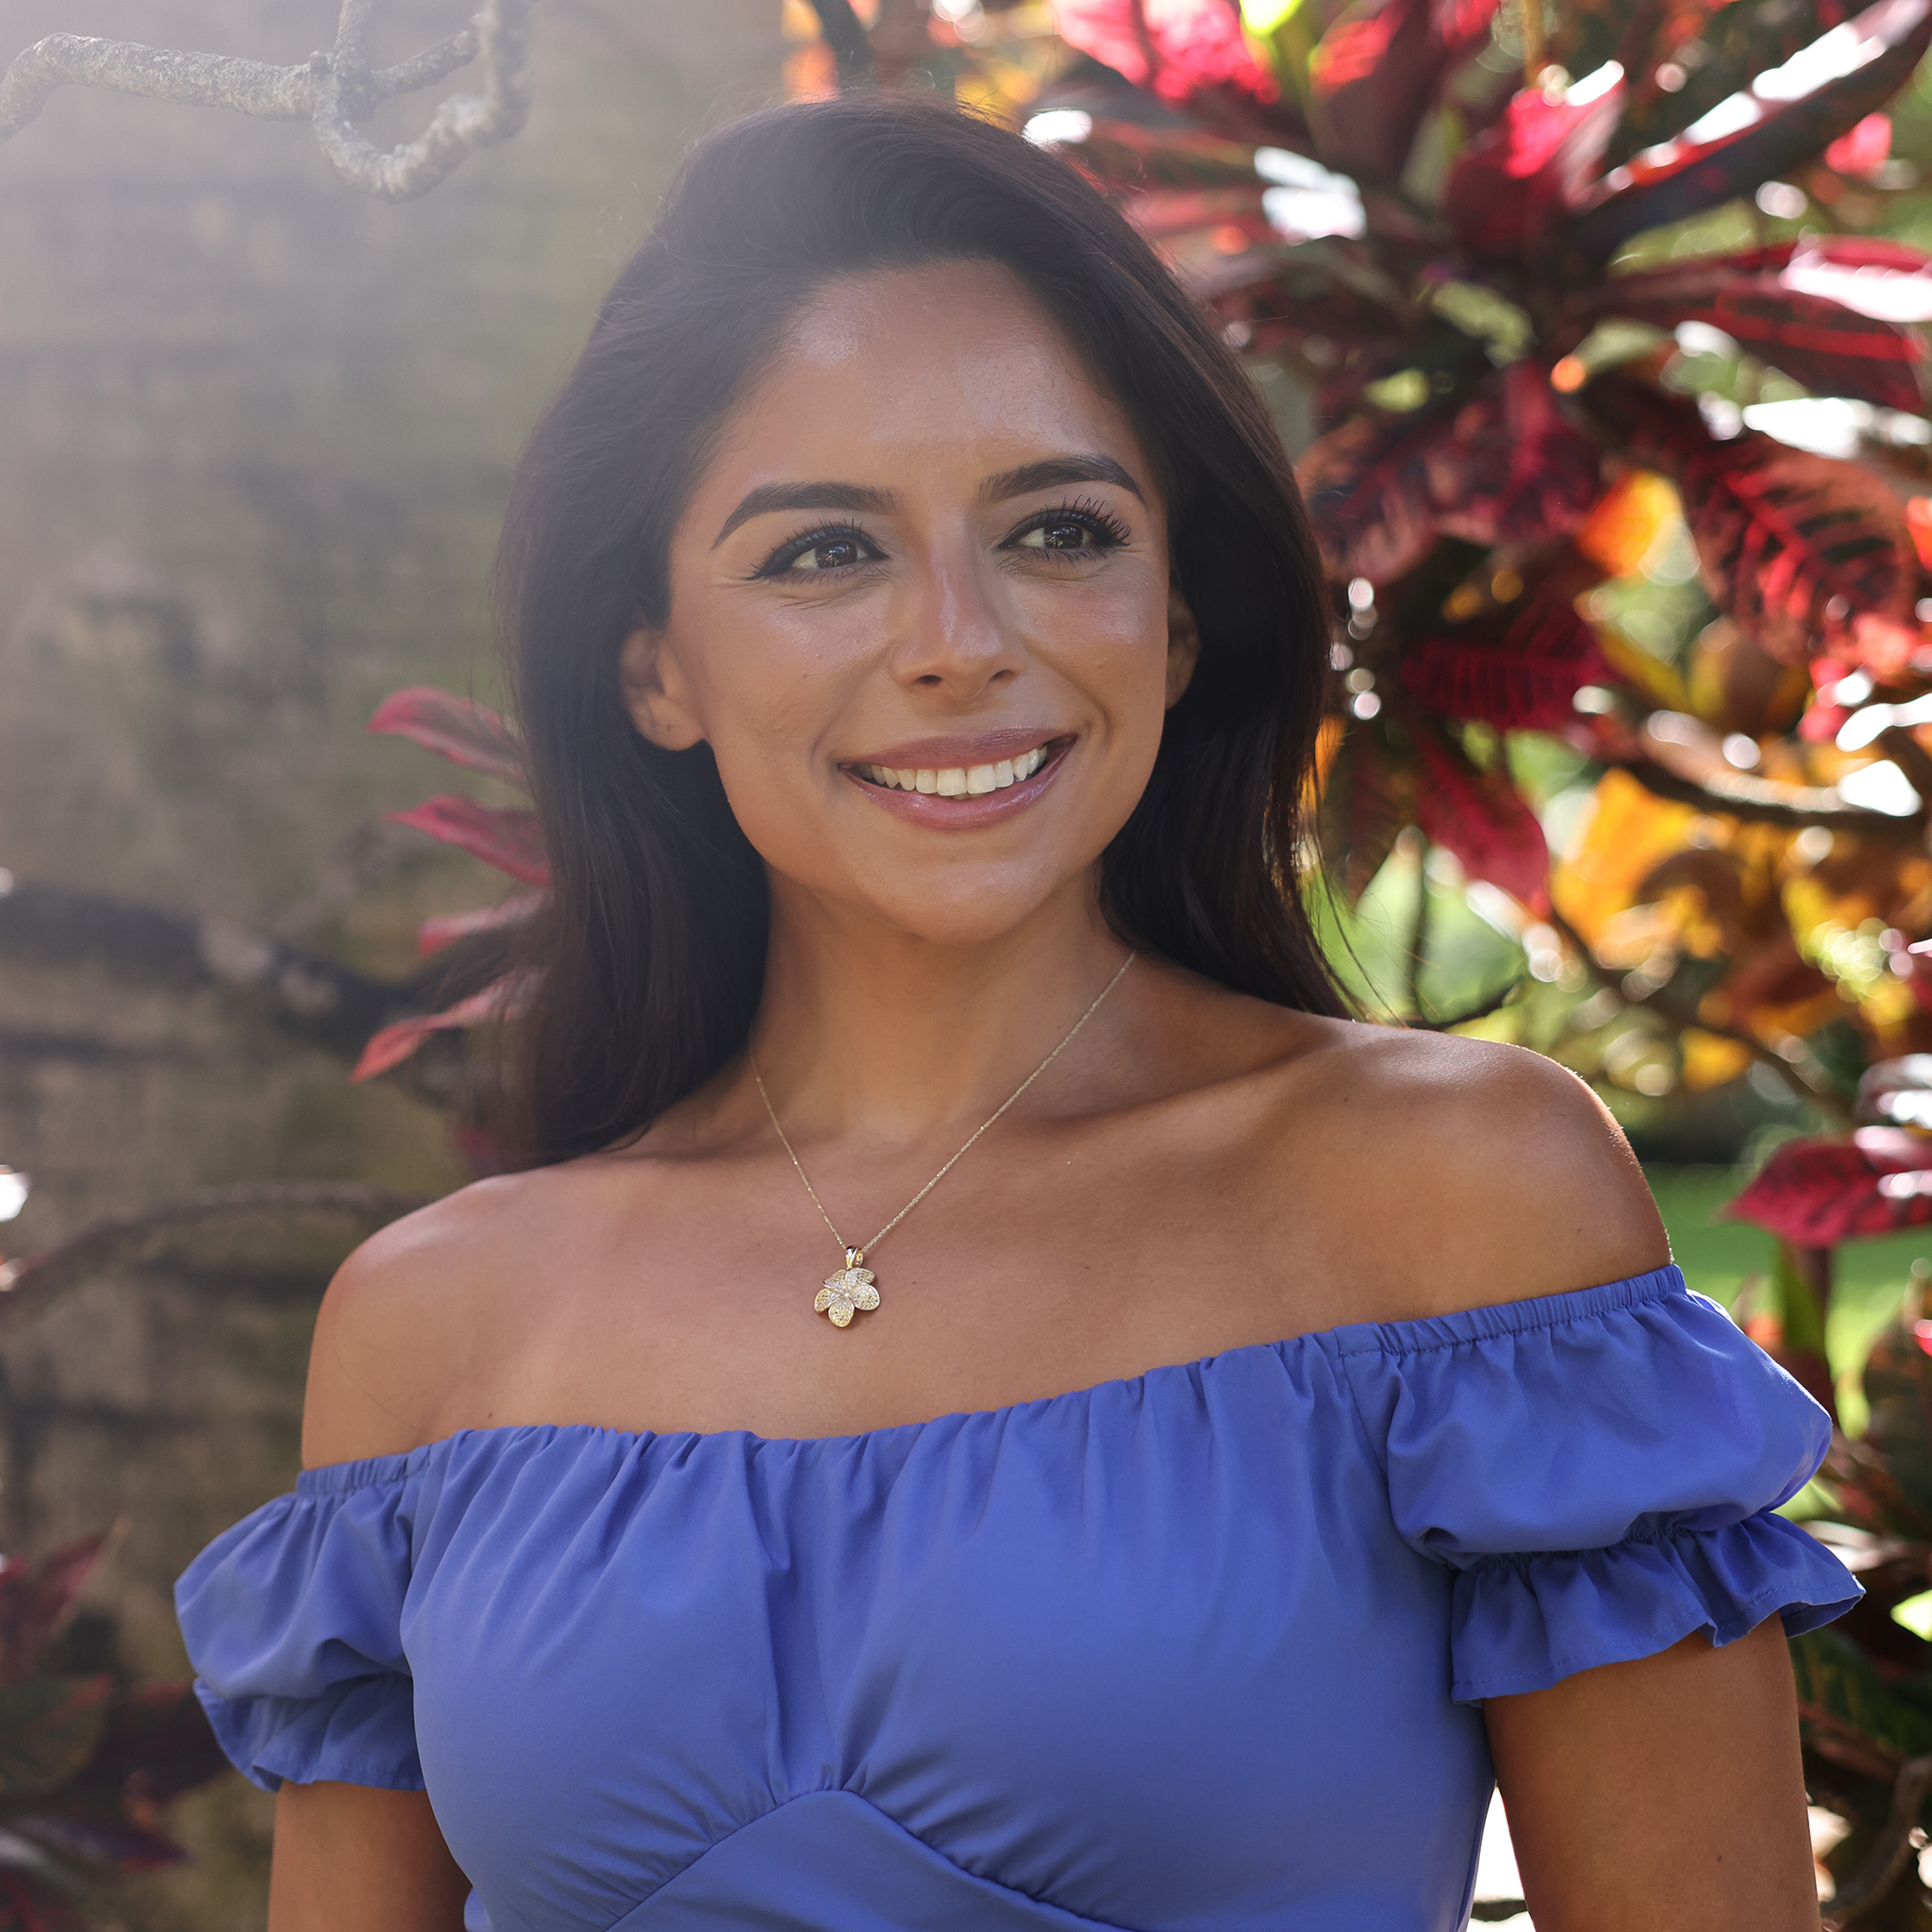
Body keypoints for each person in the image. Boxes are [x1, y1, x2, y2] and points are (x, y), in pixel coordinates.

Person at [175, 92, 1858, 1932]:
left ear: (1176, 624)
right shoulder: (432, 1328)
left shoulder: (1455, 1203)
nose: (959, 642)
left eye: (1058, 531)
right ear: (654, 668)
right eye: (823, 552)